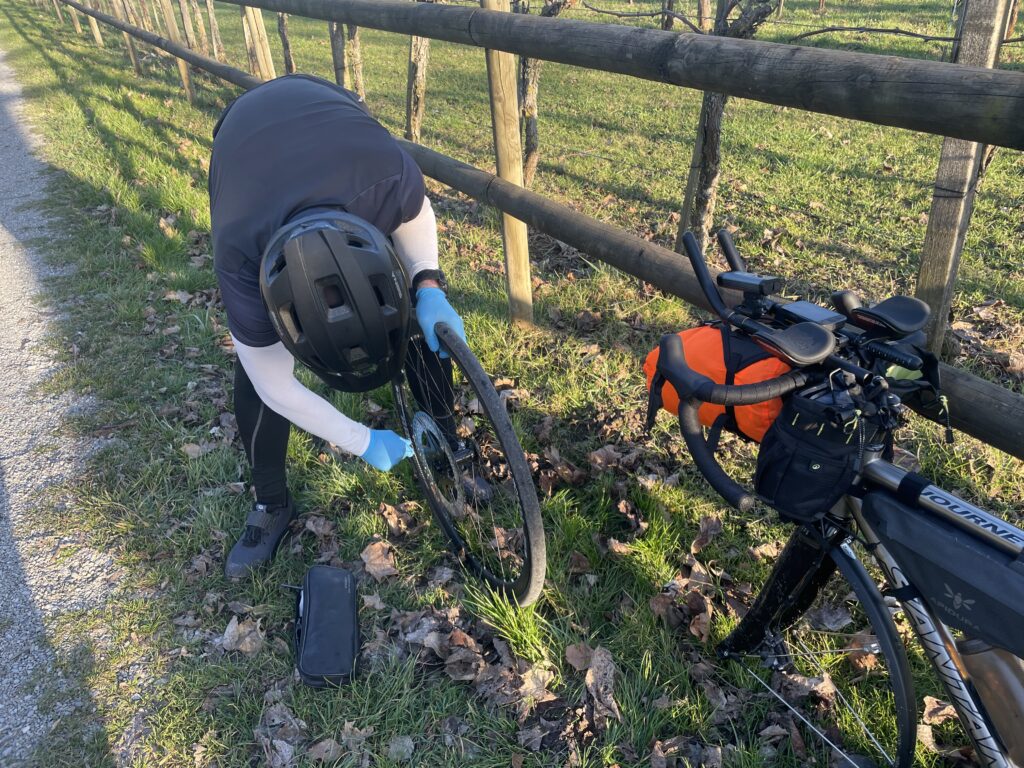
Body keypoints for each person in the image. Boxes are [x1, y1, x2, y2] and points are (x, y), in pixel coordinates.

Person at [209, 74, 466, 578]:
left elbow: (416, 214)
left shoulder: (385, 177)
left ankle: (447, 441)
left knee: (414, 310)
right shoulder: (240, 252)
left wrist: (427, 284)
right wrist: (361, 441)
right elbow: (273, 385)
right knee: (253, 374)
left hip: (325, 109)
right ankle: (270, 502)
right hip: (240, 138)